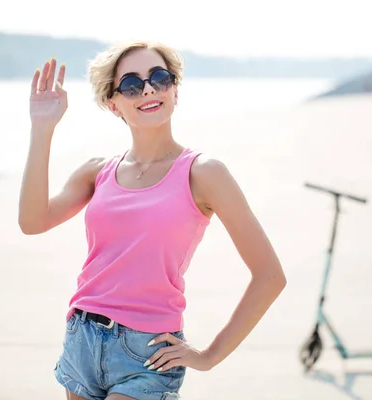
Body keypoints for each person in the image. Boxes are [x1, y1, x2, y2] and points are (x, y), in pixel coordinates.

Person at [18, 41, 287, 400]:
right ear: (113, 104)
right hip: (83, 336)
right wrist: (42, 128)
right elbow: (32, 221)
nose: (147, 88)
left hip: (148, 351)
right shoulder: (97, 172)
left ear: (175, 90)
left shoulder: (204, 173)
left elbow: (270, 276)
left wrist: (209, 356)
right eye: (131, 84)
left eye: (159, 78)